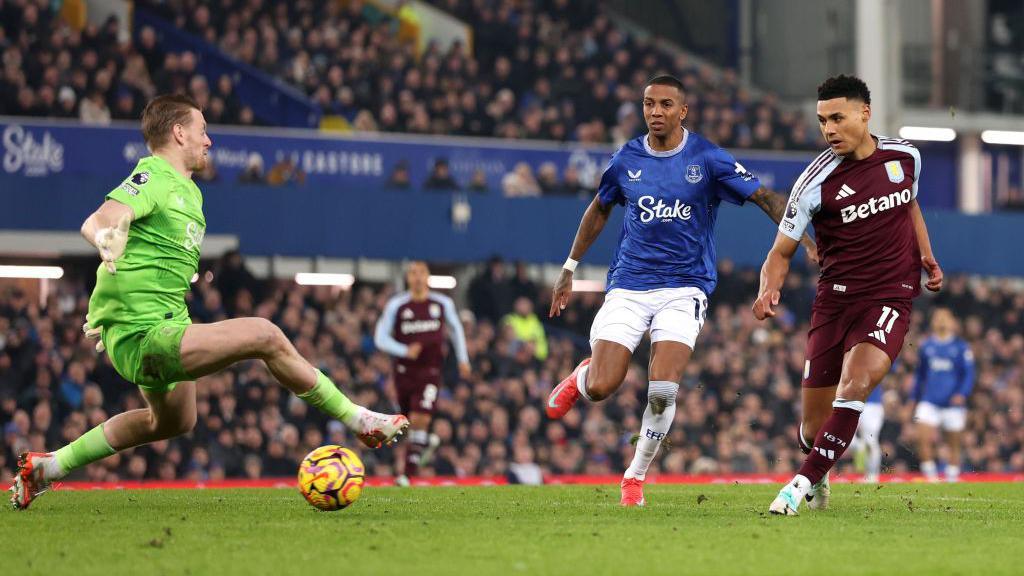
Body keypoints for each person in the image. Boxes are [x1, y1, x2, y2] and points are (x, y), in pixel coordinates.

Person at [10, 94, 408, 510]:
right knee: (265, 334)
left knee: (174, 421)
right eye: (202, 130)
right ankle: (359, 419)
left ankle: (48, 467)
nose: (209, 140)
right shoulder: (155, 175)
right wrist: (105, 238)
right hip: (143, 332)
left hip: (165, 323)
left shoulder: (190, 193)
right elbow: (103, 217)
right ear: (179, 133)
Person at [545, 75, 816, 507]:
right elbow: (599, 208)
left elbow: (765, 197)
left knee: (663, 389)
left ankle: (634, 477)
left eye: (665, 105)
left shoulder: (708, 158)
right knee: (602, 388)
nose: (656, 112)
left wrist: (802, 238)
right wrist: (569, 267)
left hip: (685, 287)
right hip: (629, 286)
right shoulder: (626, 159)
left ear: (682, 111)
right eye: (649, 104)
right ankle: (583, 375)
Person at [753, 75, 943, 516]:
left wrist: (927, 256)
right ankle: (818, 468)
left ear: (865, 113)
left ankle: (796, 488)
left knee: (857, 383)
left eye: (837, 118)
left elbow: (909, 204)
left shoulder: (905, 156)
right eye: (822, 121)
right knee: (812, 427)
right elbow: (779, 253)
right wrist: (769, 288)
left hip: (891, 297)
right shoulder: (814, 182)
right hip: (834, 303)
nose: (829, 129)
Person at [374, 261, 470, 486]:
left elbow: (456, 330)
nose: (417, 277)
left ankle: (407, 474)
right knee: (408, 422)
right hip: (403, 372)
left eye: (421, 273)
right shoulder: (397, 305)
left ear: (427, 277)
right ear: (407, 278)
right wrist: (404, 350)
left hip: (430, 372)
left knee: (420, 418)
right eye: (413, 274)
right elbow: (381, 337)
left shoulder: (442, 303)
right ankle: (425, 443)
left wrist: (463, 360)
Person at [912, 307, 974, 482]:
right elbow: (920, 375)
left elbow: (968, 374)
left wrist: (962, 393)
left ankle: (951, 478)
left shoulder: (961, 347)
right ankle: (931, 478)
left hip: (953, 405)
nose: (941, 321)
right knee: (922, 438)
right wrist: (912, 399)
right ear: (933, 322)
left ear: (952, 322)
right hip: (929, 401)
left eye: (945, 318)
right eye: (938, 318)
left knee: (953, 443)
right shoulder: (926, 346)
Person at [855, 384, 884, 483]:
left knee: (870, 440)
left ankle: (873, 476)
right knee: (857, 441)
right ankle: (868, 474)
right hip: (855, 403)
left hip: (872, 405)